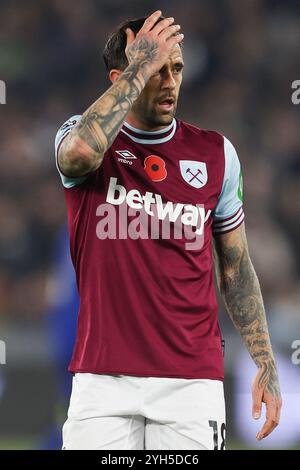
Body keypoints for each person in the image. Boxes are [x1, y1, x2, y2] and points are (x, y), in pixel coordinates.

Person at [54, 10, 282, 450]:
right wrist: (141, 66)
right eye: (157, 70)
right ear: (124, 77)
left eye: (176, 68)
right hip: (103, 378)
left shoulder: (216, 153)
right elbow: (79, 153)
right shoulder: (81, 136)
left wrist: (265, 361)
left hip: (190, 382)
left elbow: (235, 268)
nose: (171, 81)